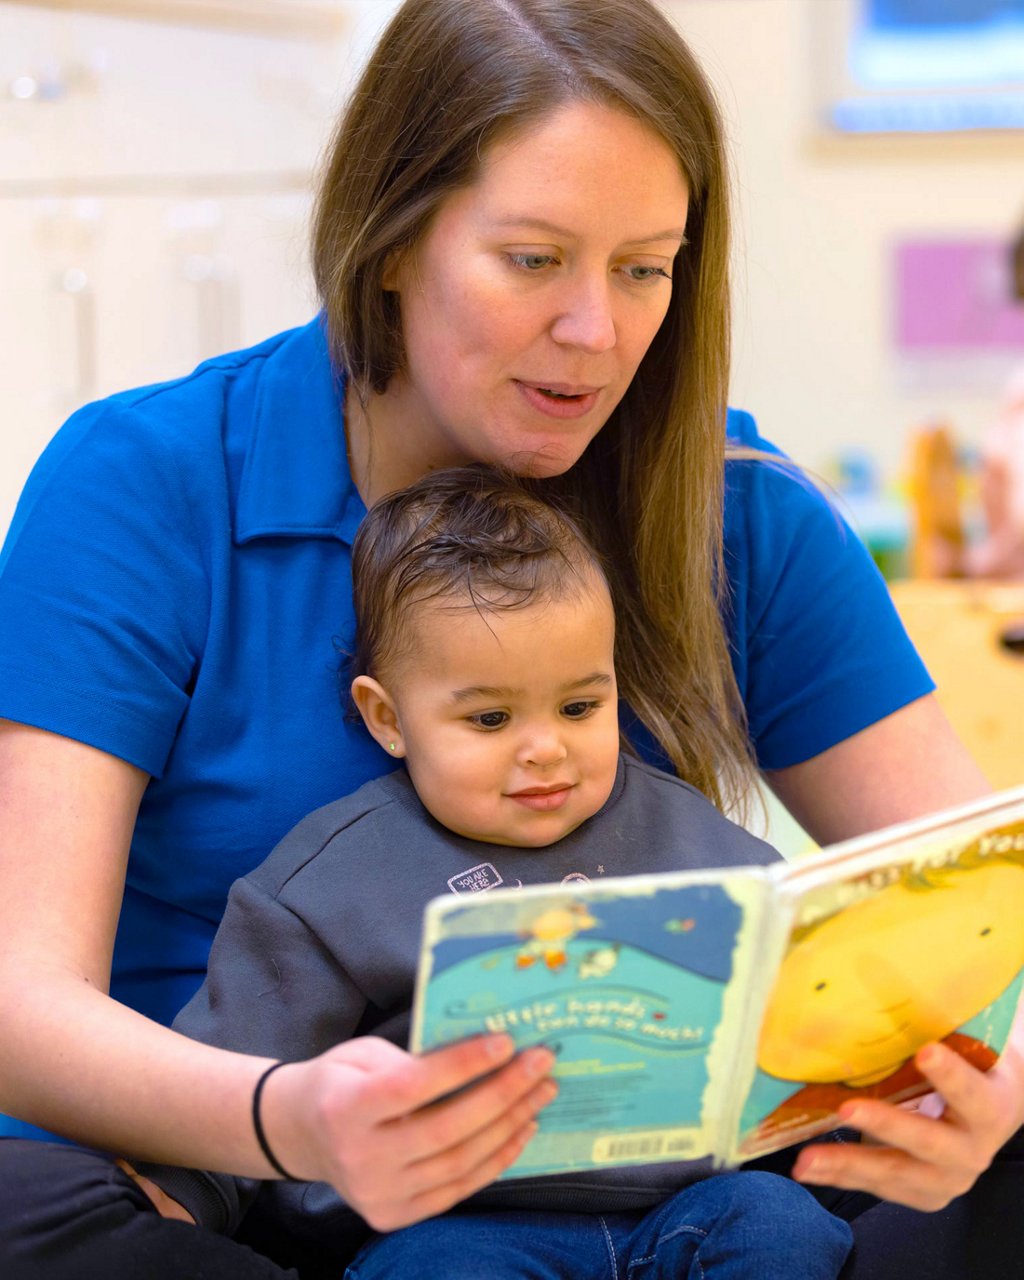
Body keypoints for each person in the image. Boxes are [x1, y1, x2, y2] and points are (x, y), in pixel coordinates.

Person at [0, 0, 1019, 1276]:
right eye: (534, 260)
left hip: (667, 1202)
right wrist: (289, 1119)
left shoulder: (737, 510)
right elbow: (19, 1006)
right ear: (389, 244)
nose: (597, 332)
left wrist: (979, 1088)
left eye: (645, 267)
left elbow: (989, 912)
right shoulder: (142, 483)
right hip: (226, 1181)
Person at [124, 464, 855, 1279]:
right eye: (491, 718)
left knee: (783, 1224)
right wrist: (178, 1196)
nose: (546, 747)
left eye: (581, 707)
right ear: (388, 719)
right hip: (462, 1222)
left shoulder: (693, 836)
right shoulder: (332, 883)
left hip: (684, 1206)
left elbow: (805, 998)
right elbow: (242, 1062)